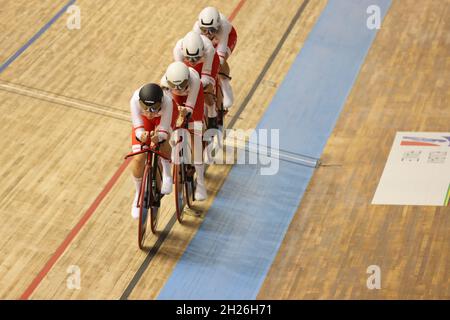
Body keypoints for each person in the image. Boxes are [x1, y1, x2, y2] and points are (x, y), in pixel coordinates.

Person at [161, 61, 207, 201]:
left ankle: (200, 182)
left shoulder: (194, 80)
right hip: (174, 100)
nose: (179, 89)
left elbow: (190, 108)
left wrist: (184, 112)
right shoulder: (164, 84)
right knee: (173, 128)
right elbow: (168, 111)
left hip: (194, 98)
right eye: (175, 87)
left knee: (196, 134)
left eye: (182, 86)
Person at [129, 83, 176, 219]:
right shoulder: (134, 100)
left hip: (165, 117)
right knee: (138, 158)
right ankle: (138, 194)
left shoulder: (167, 102)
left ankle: (167, 174)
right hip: (144, 122)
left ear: (160, 103)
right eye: (146, 108)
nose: (149, 113)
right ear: (140, 103)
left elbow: (163, 131)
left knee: (163, 141)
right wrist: (142, 136)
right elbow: (138, 129)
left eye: (153, 108)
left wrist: (159, 136)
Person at [173, 31, 221, 129]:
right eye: (188, 58)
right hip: (191, 67)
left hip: (209, 63)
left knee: (207, 90)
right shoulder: (178, 49)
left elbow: (205, 78)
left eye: (196, 58)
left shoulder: (209, 49)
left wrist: (195, 87)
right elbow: (180, 72)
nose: (192, 61)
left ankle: (212, 113)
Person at [193, 6, 237, 111]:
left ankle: (226, 85)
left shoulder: (224, 26)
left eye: (211, 30)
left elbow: (220, 57)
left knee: (220, 62)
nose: (208, 33)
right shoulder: (196, 29)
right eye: (204, 30)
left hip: (227, 37)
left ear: (218, 25)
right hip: (209, 43)